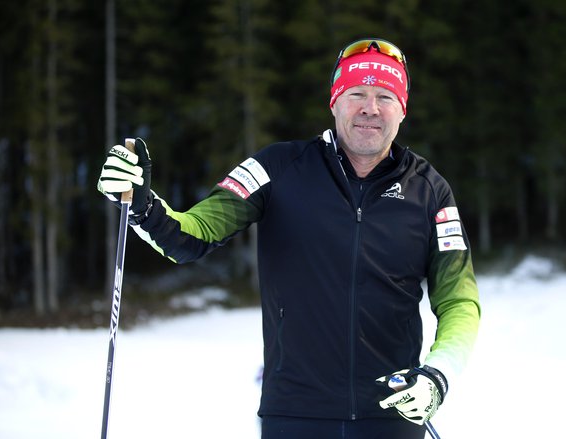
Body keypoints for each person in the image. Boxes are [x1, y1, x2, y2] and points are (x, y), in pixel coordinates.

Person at [98, 38, 480, 439]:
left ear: (402, 109)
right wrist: (141, 205)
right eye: (357, 93)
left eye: (385, 95)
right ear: (334, 101)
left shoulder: (429, 191)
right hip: (295, 415)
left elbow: (459, 301)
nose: (370, 108)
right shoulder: (278, 167)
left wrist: (438, 375)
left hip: (392, 416)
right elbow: (191, 236)